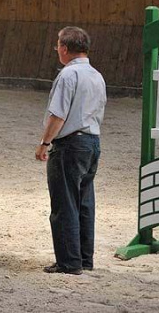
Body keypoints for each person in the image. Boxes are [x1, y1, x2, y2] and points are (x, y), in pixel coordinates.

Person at [35, 26, 106, 275]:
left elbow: (58, 115)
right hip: (92, 142)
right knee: (84, 202)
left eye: (58, 46)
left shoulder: (68, 75)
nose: (57, 50)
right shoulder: (97, 75)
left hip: (70, 145)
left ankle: (68, 262)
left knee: (64, 204)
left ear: (64, 48)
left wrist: (45, 143)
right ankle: (85, 258)